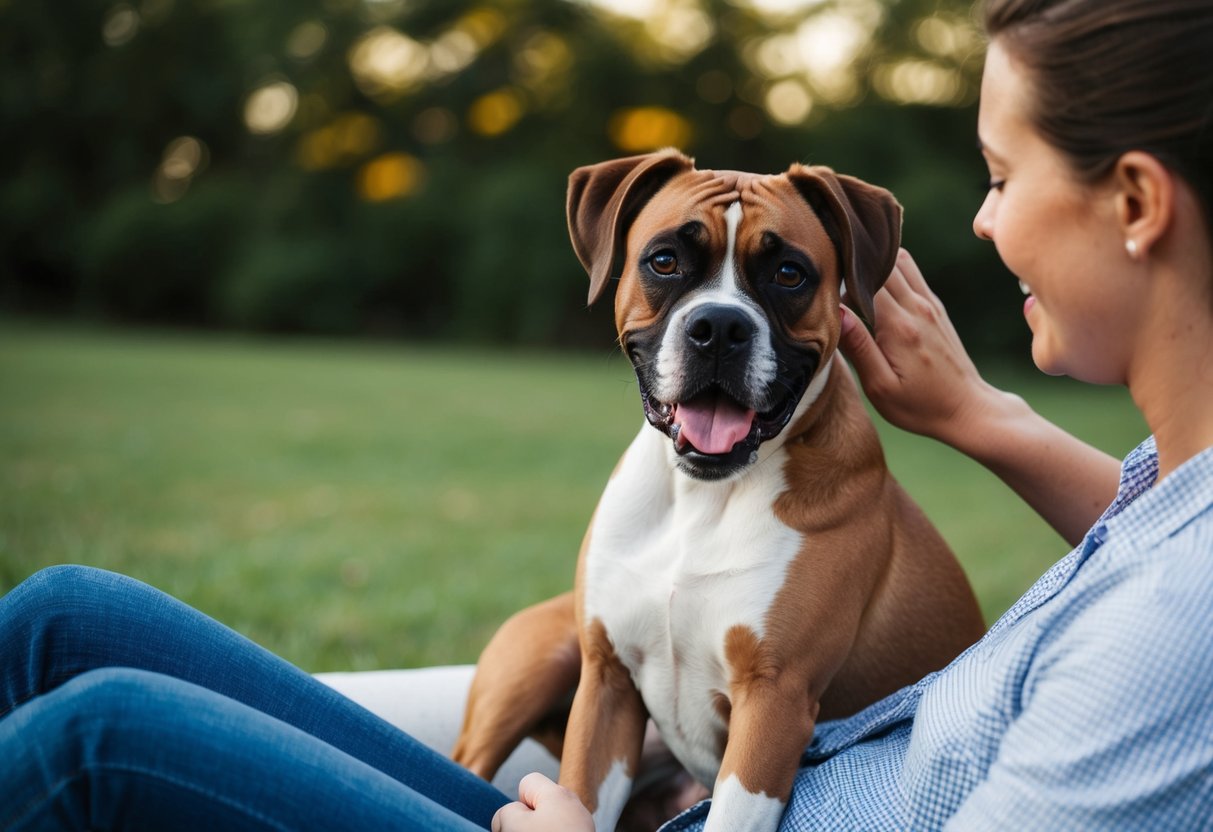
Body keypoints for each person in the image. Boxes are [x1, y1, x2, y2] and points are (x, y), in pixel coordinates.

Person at [2, 0, 1211, 828]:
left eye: (999, 178)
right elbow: (1150, 514)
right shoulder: (1184, 499)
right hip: (633, 769)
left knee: (95, 740)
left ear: (1138, 203)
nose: (984, 224)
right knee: (68, 614)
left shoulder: (1174, 631)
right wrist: (981, 416)